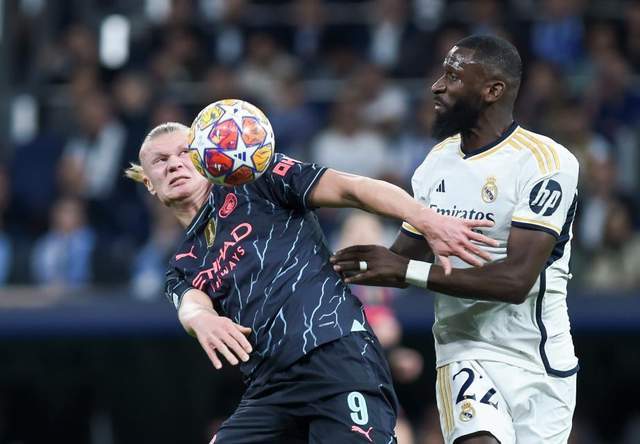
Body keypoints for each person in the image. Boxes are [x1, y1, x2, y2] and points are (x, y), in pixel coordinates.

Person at [125, 119, 497, 443]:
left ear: (207, 157)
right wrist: (202, 319)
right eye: (160, 160)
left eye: (185, 152)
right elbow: (191, 304)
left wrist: (426, 219)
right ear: (150, 184)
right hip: (269, 390)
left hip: (337, 358)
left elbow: (352, 188)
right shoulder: (182, 264)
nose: (174, 163)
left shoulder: (259, 181)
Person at [332, 35, 579, 444]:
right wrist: (339, 267)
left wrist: (404, 269)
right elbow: (399, 260)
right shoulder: (436, 163)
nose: (436, 86)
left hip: (540, 359)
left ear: (492, 90)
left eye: (453, 76)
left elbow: (515, 281)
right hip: (464, 350)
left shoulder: (546, 163)